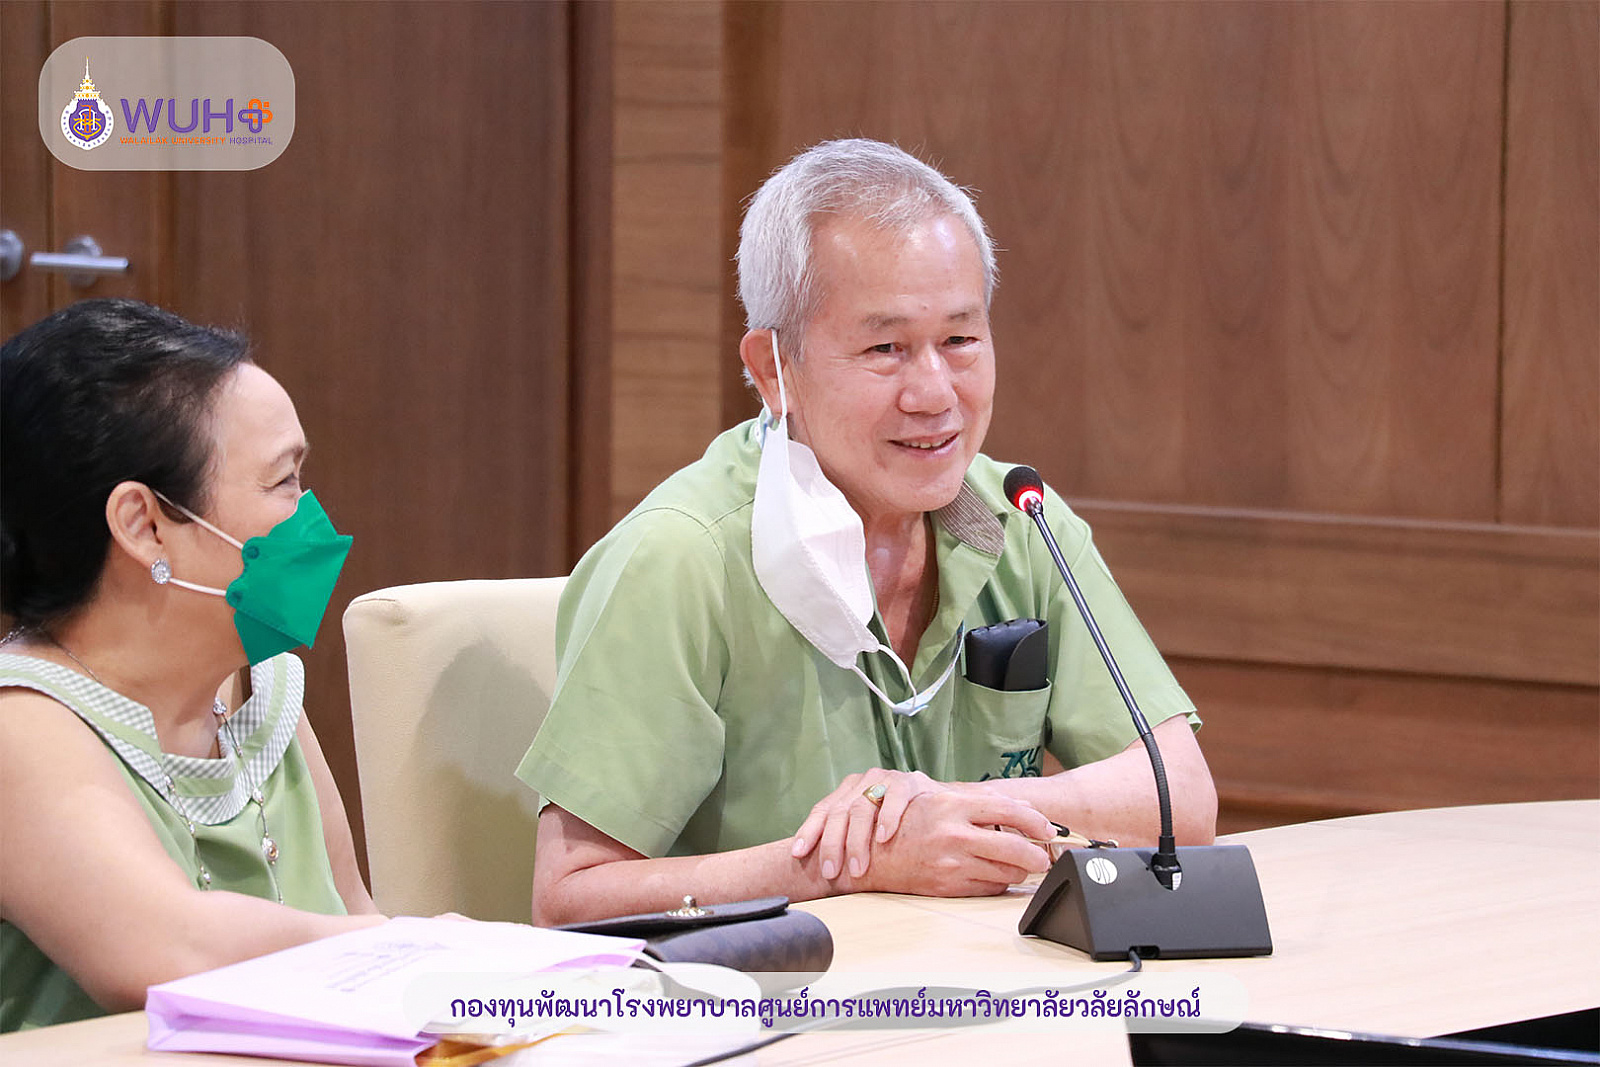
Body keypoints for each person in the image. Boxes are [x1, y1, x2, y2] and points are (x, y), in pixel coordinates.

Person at [518, 139, 1217, 925]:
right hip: (765, 996)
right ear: (773, 369)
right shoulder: (680, 558)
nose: (936, 393)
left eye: (960, 340)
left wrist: (941, 809)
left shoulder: (1022, 517)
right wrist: (842, 861)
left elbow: (1182, 797)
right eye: (886, 348)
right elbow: (568, 898)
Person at [0, 299, 385, 1031]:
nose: (311, 516)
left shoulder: (260, 689)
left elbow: (352, 911)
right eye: (283, 481)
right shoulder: (20, 723)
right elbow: (168, 948)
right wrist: (414, 945)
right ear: (144, 525)